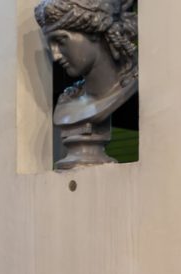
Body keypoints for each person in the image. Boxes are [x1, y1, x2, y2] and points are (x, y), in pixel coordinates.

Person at [34, 0, 138, 168]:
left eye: (60, 41)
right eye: (50, 45)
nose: (55, 56)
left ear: (94, 31)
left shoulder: (132, 84)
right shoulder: (67, 102)